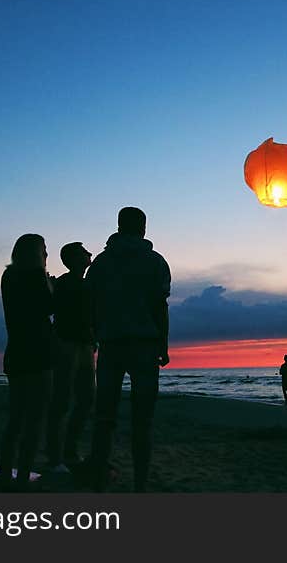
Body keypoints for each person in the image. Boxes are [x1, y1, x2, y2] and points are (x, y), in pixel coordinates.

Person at [86, 207, 171, 492]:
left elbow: (91, 305)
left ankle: (98, 479)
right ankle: (140, 486)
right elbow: (160, 307)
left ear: (120, 226)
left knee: (104, 416)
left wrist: (96, 333)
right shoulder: (155, 262)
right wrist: (164, 343)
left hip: (110, 344)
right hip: (144, 345)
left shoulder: (100, 263)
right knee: (142, 420)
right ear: (143, 228)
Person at [0, 234, 54, 490]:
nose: (47, 254)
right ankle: (22, 476)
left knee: (15, 417)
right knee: (34, 419)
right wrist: (48, 284)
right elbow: (48, 307)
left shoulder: (8, 277)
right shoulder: (36, 277)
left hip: (16, 351)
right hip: (38, 352)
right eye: (44, 249)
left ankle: (5, 473)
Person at [45, 242, 95, 471]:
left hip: (85, 346)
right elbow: (53, 310)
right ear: (75, 258)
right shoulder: (65, 283)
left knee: (85, 400)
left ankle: (69, 450)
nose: (90, 254)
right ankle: (56, 455)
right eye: (85, 252)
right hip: (67, 345)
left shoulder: (86, 284)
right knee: (62, 400)